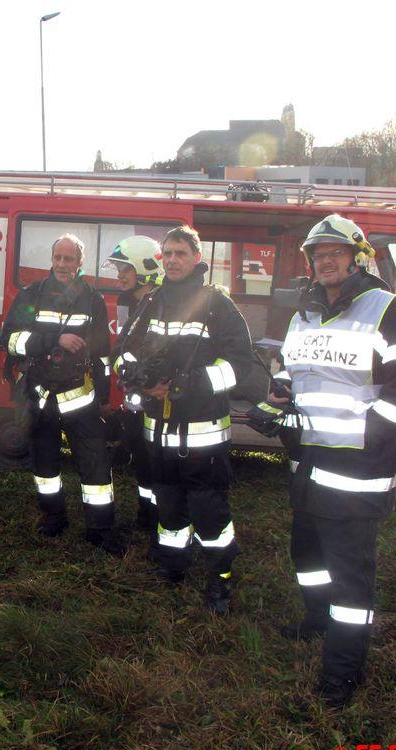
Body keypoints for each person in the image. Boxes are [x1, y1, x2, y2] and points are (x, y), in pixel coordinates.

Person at [272, 214, 396, 706]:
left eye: (335, 252)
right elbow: (295, 373)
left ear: (359, 257)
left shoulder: (386, 308)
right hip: (309, 463)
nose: (326, 261)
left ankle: (344, 669)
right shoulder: (305, 313)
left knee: (350, 574)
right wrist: (279, 396)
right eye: (318, 255)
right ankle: (316, 619)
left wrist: (372, 433)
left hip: (358, 469)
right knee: (308, 557)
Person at [123, 225, 252, 614]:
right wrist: (138, 379)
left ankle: (220, 580)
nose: (174, 259)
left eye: (182, 252)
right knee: (170, 507)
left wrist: (185, 386)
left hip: (203, 436)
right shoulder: (150, 303)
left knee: (210, 511)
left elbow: (240, 366)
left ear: (197, 258)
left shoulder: (218, 305)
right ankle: (173, 566)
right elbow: (124, 352)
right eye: (169, 253)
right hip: (158, 434)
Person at [2, 233, 122, 554]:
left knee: (95, 465)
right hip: (40, 396)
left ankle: (100, 529)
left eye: (69, 259)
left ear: (80, 263)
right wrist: (56, 339)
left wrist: (106, 398)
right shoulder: (32, 295)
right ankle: (53, 518)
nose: (62, 264)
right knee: (44, 466)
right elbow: (11, 339)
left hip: (81, 398)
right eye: (58, 258)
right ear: (51, 260)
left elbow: (102, 355)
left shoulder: (93, 300)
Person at [106, 236, 164, 546]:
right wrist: (128, 370)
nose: (120, 275)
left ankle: (162, 522)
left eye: (125, 268)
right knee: (143, 462)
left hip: (161, 400)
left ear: (146, 268)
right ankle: (146, 518)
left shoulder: (163, 302)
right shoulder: (134, 302)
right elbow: (123, 349)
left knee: (158, 464)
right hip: (139, 398)